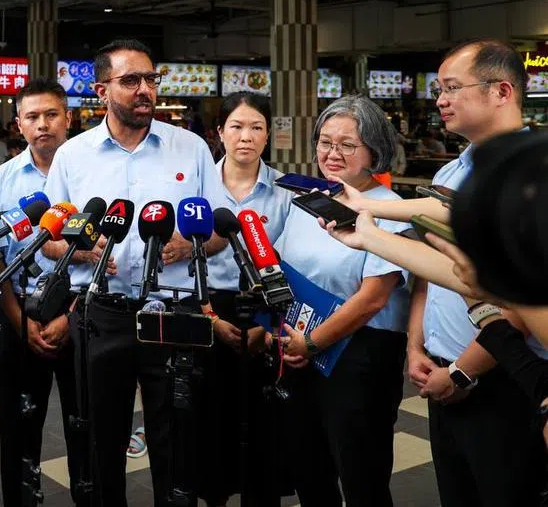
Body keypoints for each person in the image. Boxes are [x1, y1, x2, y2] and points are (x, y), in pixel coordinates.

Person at [333, 39, 546, 506]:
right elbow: (449, 270)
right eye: (438, 89)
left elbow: (511, 300)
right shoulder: (453, 173)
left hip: (506, 377)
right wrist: (417, 344)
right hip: (442, 369)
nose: (441, 100)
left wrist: (464, 374)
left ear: (502, 92)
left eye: (453, 87)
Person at [42, 39, 225, 507]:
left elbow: (225, 228)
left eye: (151, 80)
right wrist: (84, 252)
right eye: (131, 81)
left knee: (176, 439)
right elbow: (50, 238)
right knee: (102, 438)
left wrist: (194, 242)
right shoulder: (73, 156)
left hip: (174, 313)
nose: (145, 90)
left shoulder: (191, 149)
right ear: (102, 89)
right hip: (102, 314)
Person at [274, 96, 412, 507]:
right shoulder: (311, 197)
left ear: (374, 149)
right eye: (324, 142)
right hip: (300, 345)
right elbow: (285, 266)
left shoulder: (390, 210)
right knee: (308, 469)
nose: (332, 153)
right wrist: (289, 336)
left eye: (347, 145)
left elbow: (372, 298)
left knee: (361, 475)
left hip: (360, 355)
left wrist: (313, 342)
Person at [195, 92, 293, 507]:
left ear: (268, 135)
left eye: (256, 127)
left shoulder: (284, 194)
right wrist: (210, 318)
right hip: (208, 310)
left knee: (262, 425)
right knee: (210, 420)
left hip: (264, 313)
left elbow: (291, 265)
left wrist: (267, 330)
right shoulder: (198, 188)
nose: (245, 137)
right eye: (236, 126)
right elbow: (183, 262)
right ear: (219, 133)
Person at [0, 79, 83, 507]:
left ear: (68, 119)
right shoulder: (1, 180)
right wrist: (20, 323)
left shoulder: (91, 172)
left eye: (51, 115)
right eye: (32, 117)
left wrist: (72, 318)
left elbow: (109, 259)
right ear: (19, 126)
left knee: (88, 429)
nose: (42, 125)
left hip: (83, 317)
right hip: (19, 316)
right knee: (18, 431)